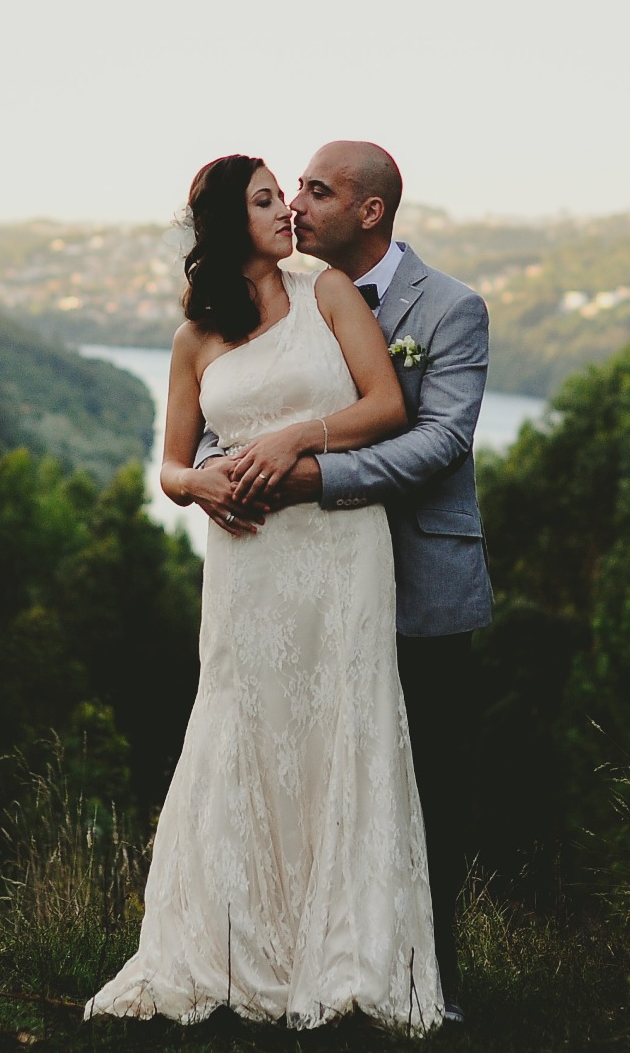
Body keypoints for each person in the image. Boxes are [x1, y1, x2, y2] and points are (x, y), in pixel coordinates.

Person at [85, 153, 443, 1033]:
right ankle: (241, 950)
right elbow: (170, 464)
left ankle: (350, 958)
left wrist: (291, 440)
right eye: (264, 199)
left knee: (341, 725)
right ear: (222, 222)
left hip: (338, 547)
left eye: (286, 193)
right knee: (246, 725)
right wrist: (196, 485)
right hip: (246, 564)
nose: (287, 208)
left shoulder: (327, 293)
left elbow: (387, 402)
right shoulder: (194, 338)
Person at [230, 140, 493, 1025]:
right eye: (292, 187)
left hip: (420, 582)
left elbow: (440, 440)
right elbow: (233, 406)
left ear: (370, 211)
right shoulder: (286, 296)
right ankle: (315, 961)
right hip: (307, 587)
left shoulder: (451, 309)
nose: (297, 202)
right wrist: (207, 474)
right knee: (318, 775)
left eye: (318, 189)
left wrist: (314, 471)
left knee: (427, 790)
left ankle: (431, 983)